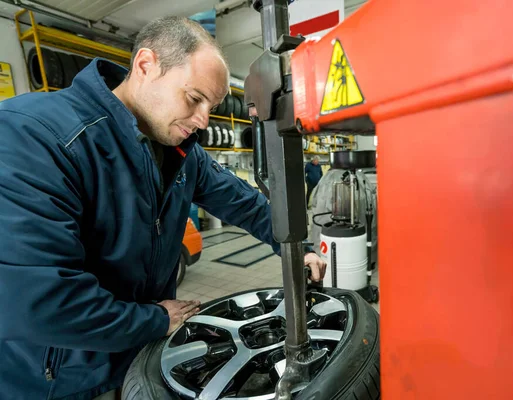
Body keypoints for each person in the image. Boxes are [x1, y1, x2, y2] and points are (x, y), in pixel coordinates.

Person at [0, 16, 326, 400]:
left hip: (140, 363)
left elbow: (246, 204)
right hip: (58, 382)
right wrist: (153, 320)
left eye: (212, 105)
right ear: (145, 66)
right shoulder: (34, 136)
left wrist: (295, 249)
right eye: (194, 98)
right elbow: (40, 299)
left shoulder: (183, 153)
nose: (203, 120)